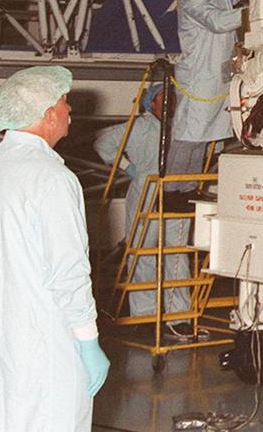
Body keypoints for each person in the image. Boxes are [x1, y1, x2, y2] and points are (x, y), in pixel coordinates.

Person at [0, 66, 108, 432]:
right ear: (48, 114)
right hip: (40, 342)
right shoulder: (52, 178)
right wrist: (88, 340)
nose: (69, 111)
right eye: (64, 103)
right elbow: (68, 272)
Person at [168, 0, 263, 194]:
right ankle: (172, 188)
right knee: (190, 134)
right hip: (199, 76)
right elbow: (217, 21)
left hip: (218, 75)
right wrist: (257, 11)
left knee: (203, 136)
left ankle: (188, 188)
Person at [94, 83, 194, 341]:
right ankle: (145, 315)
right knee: (143, 254)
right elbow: (103, 143)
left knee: (176, 254)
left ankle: (179, 317)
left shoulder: (183, 128)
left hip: (176, 192)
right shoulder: (140, 127)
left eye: (172, 100)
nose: (169, 105)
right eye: (163, 100)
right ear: (151, 103)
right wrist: (128, 168)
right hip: (146, 193)